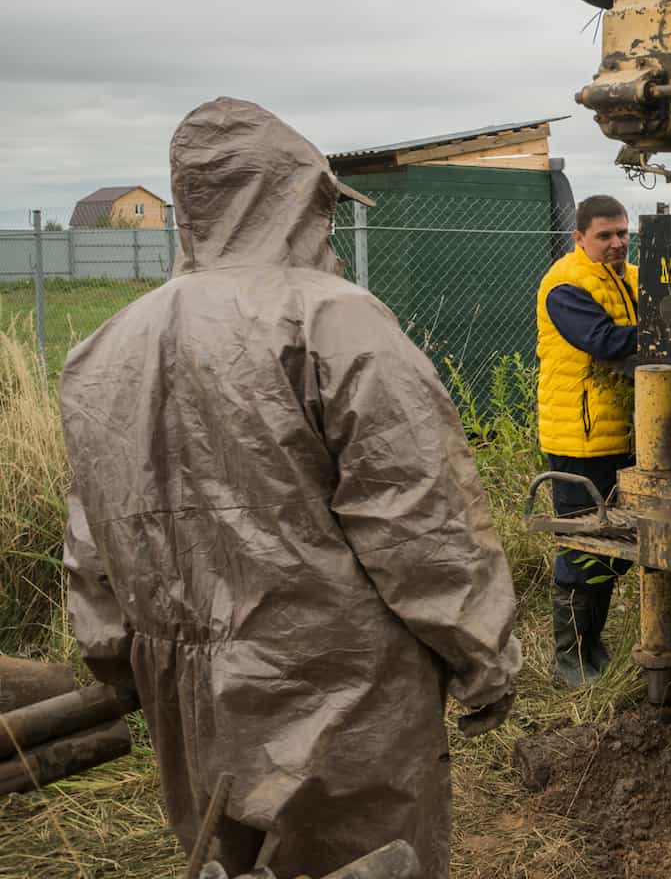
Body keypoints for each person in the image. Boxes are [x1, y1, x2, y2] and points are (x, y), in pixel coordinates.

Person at [59, 98, 522, 879]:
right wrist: (483, 652)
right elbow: (419, 517)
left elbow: (93, 527)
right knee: (368, 863)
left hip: (187, 691)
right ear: (299, 198)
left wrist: (111, 651)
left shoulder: (109, 345)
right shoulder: (332, 321)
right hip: (340, 689)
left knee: (222, 859)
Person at [536, 194, 639, 686]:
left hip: (620, 433)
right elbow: (603, 341)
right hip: (580, 437)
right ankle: (571, 658)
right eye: (604, 235)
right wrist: (668, 327)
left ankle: (593, 646)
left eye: (622, 233)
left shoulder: (628, 276)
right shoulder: (566, 283)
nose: (616, 242)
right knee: (582, 547)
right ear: (579, 238)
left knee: (611, 545)